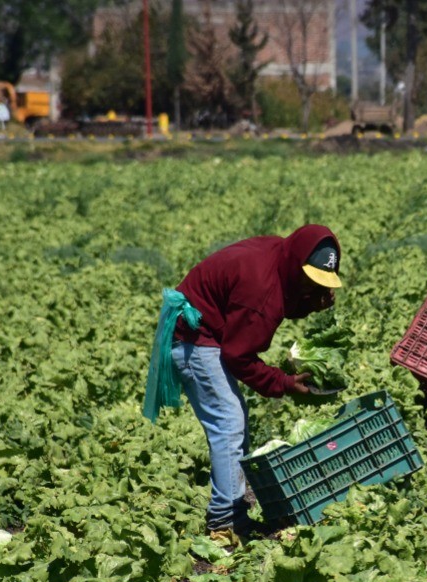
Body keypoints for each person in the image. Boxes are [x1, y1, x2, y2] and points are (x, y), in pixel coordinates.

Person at [142, 224, 341, 546]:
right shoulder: (261, 288)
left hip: (206, 329)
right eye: (310, 279)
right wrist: (284, 383)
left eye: (321, 282)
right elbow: (239, 356)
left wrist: (309, 301)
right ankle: (224, 520)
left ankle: (231, 511)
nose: (311, 285)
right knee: (228, 422)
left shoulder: (281, 257)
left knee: (232, 419)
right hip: (193, 336)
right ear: (296, 264)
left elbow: (284, 297)